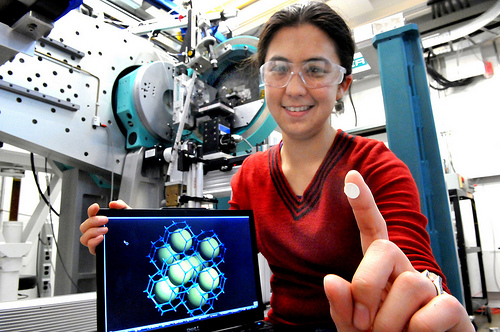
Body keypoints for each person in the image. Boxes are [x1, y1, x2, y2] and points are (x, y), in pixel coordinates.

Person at [80, 1, 474, 331]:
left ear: (342, 85)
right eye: (279, 69)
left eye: (316, 70)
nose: (295, 88)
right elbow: (220, 259)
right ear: (264, 80)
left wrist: (427, 294)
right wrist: (135, 241)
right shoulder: (251, 174)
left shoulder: (376, 166)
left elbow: (415, 263)